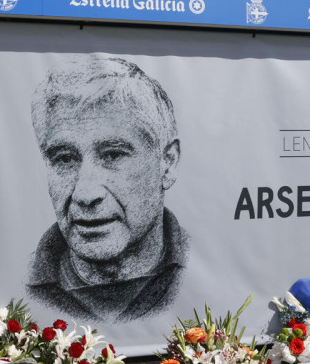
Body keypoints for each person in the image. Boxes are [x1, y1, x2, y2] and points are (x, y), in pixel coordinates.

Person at [26, 54, 189, 323]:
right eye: (65, 159)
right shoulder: (13, 284)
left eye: (113, 155)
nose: (85, 194)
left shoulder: (212, 272)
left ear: (167, 163)